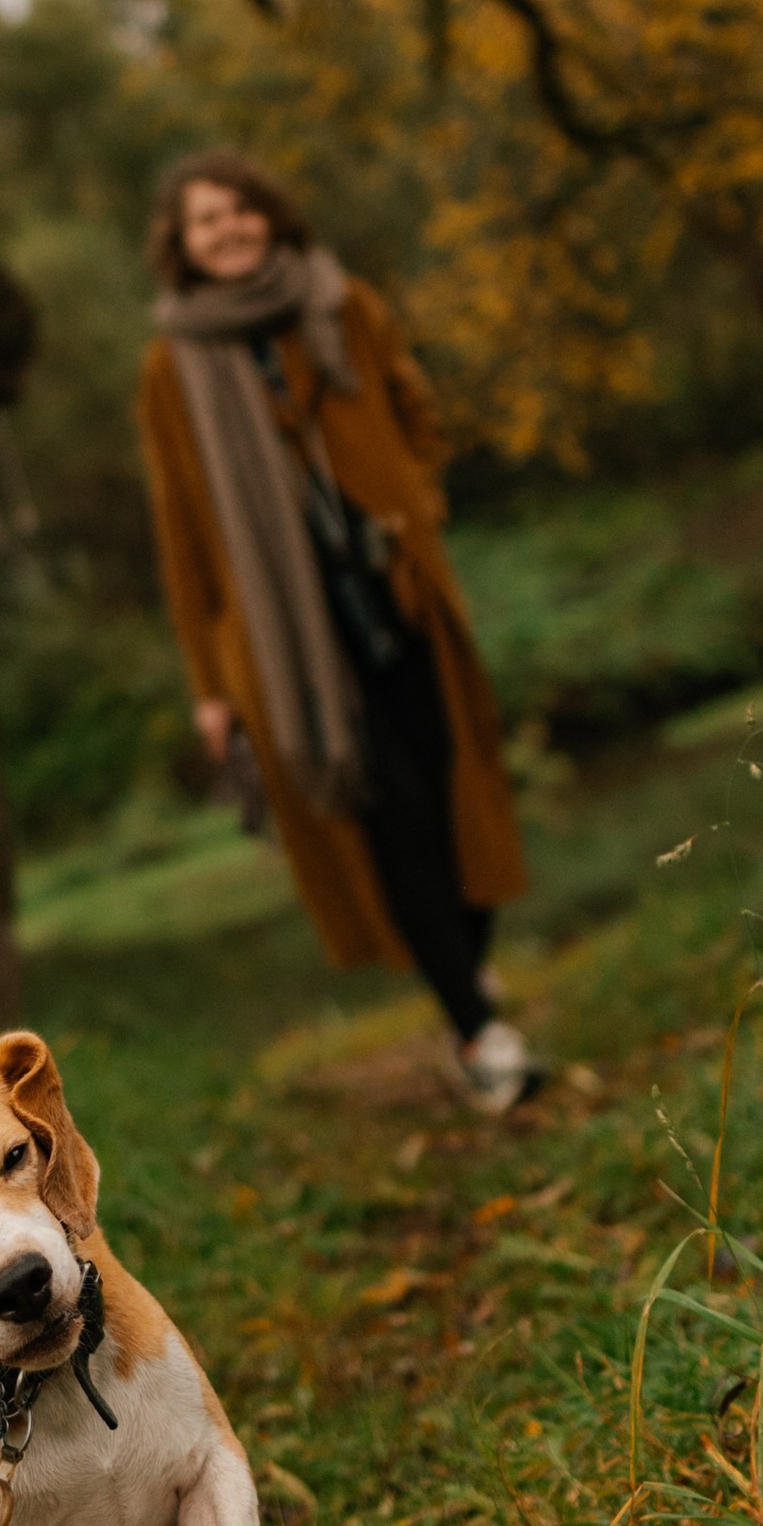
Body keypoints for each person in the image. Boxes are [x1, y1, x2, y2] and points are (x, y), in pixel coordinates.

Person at [135, 148, 532, 1112]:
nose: (228, 229)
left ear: (270, 215)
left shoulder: (338, 302)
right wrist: (210, 687)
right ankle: (476, 1030)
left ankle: (466, 967)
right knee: (392, 812)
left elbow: (416, 410)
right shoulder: (170, 366)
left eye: (241, 209)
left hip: (399, 595)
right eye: (206, 219)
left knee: (453, 785)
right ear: (182, 244)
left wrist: (416, 505)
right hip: (287, 642)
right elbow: (181, 533)